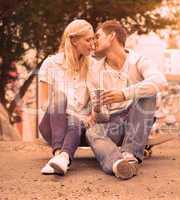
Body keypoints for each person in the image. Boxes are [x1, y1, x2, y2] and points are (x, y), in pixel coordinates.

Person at [86, 20, 167, 180]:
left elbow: (160, 81)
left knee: (148, 93)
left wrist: (125, 94)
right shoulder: (95, 70)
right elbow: (100, 115)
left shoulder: (139, 61)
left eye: (98, 36)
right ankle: (119, 164)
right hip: (114, 125)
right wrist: (96, 111)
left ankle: (130, 153)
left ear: (111, 36)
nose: (94, 41)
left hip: (137, 121)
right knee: (92, 131)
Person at [38, 19, 95, 175]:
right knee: (60, 98)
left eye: (93, 39)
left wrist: (91, 115)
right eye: (88, 39)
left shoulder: (94, 67)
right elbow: (44, 103)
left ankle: (61, 157)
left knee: (74, 121)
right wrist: (67, 112)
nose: (92, 44)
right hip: (52, 124)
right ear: (74, 40)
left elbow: (97, 102)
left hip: (78, 128)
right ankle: (59, 152)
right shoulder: (50, 63)